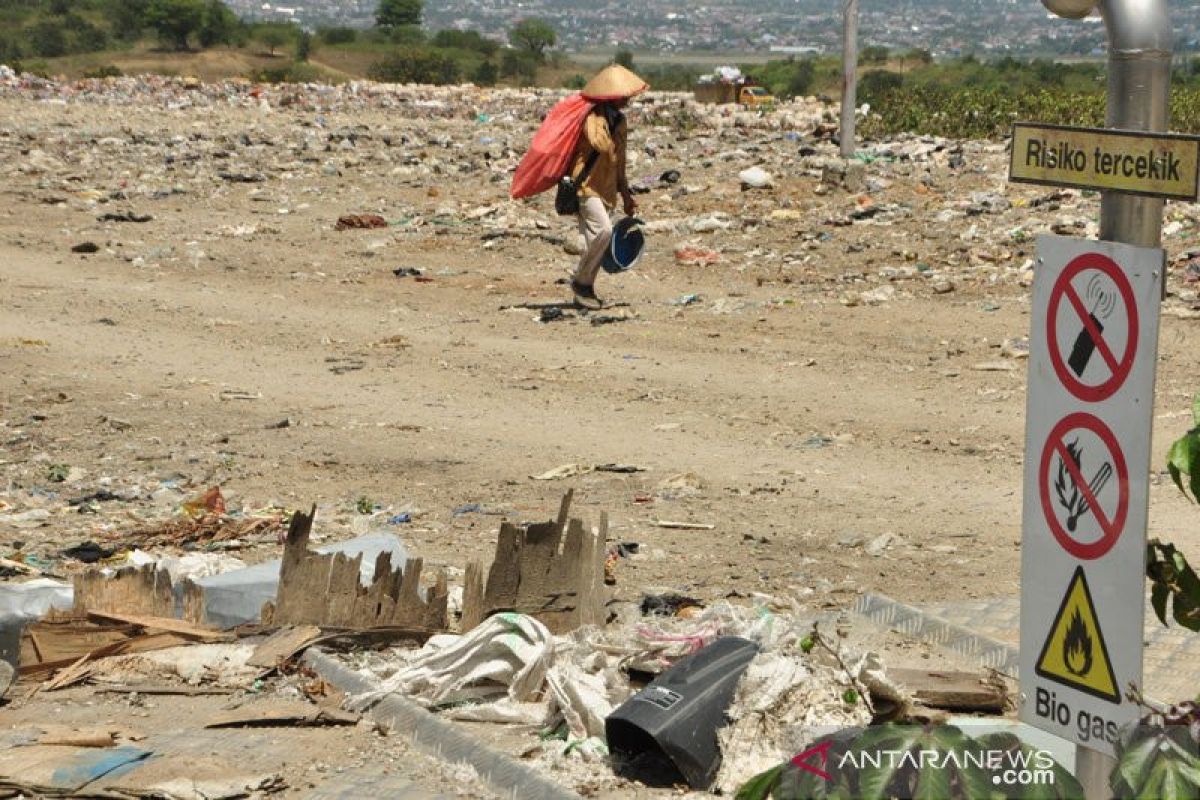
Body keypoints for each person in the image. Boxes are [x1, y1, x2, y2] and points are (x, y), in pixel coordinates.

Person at [568, 64, 648, 308]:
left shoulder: (620, 121)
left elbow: (619, 162)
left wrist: (626, 195)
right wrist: (608, 134)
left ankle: (585, 290)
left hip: (607, 188)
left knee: (599, 243)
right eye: (623, 96)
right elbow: (598, 143)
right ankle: (580, 281)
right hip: (586, 185)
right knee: (603, 232)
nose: (627, 100)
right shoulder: (593, 117)